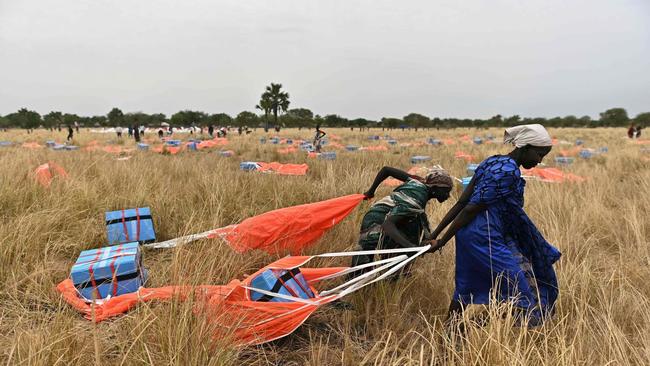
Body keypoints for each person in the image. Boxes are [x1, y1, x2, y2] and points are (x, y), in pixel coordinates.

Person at [430, 124, 561, 327]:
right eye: (539, 154)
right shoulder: (507, 172)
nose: (540, 161)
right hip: (486, 233)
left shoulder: (492, 161)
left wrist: (437, 234)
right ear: (525, 147)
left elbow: (462, 201)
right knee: (522, 294)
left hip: (469, 233)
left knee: (465, 286)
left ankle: (449, 332)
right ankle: (470, 326)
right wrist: (441, 241)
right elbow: (470, 208)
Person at [350, 166, 453, 277]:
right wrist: (411, 248)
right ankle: (375, 273)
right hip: (376, 220)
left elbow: (386, 170)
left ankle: (394, 270)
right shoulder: (418, 197)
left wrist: (371, 191)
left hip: (389, 216)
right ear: (434, 188)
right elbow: (387, 225)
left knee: (413, 228)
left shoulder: (420, 181)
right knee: (364, 260)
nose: (448, 195)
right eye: (446, 191)